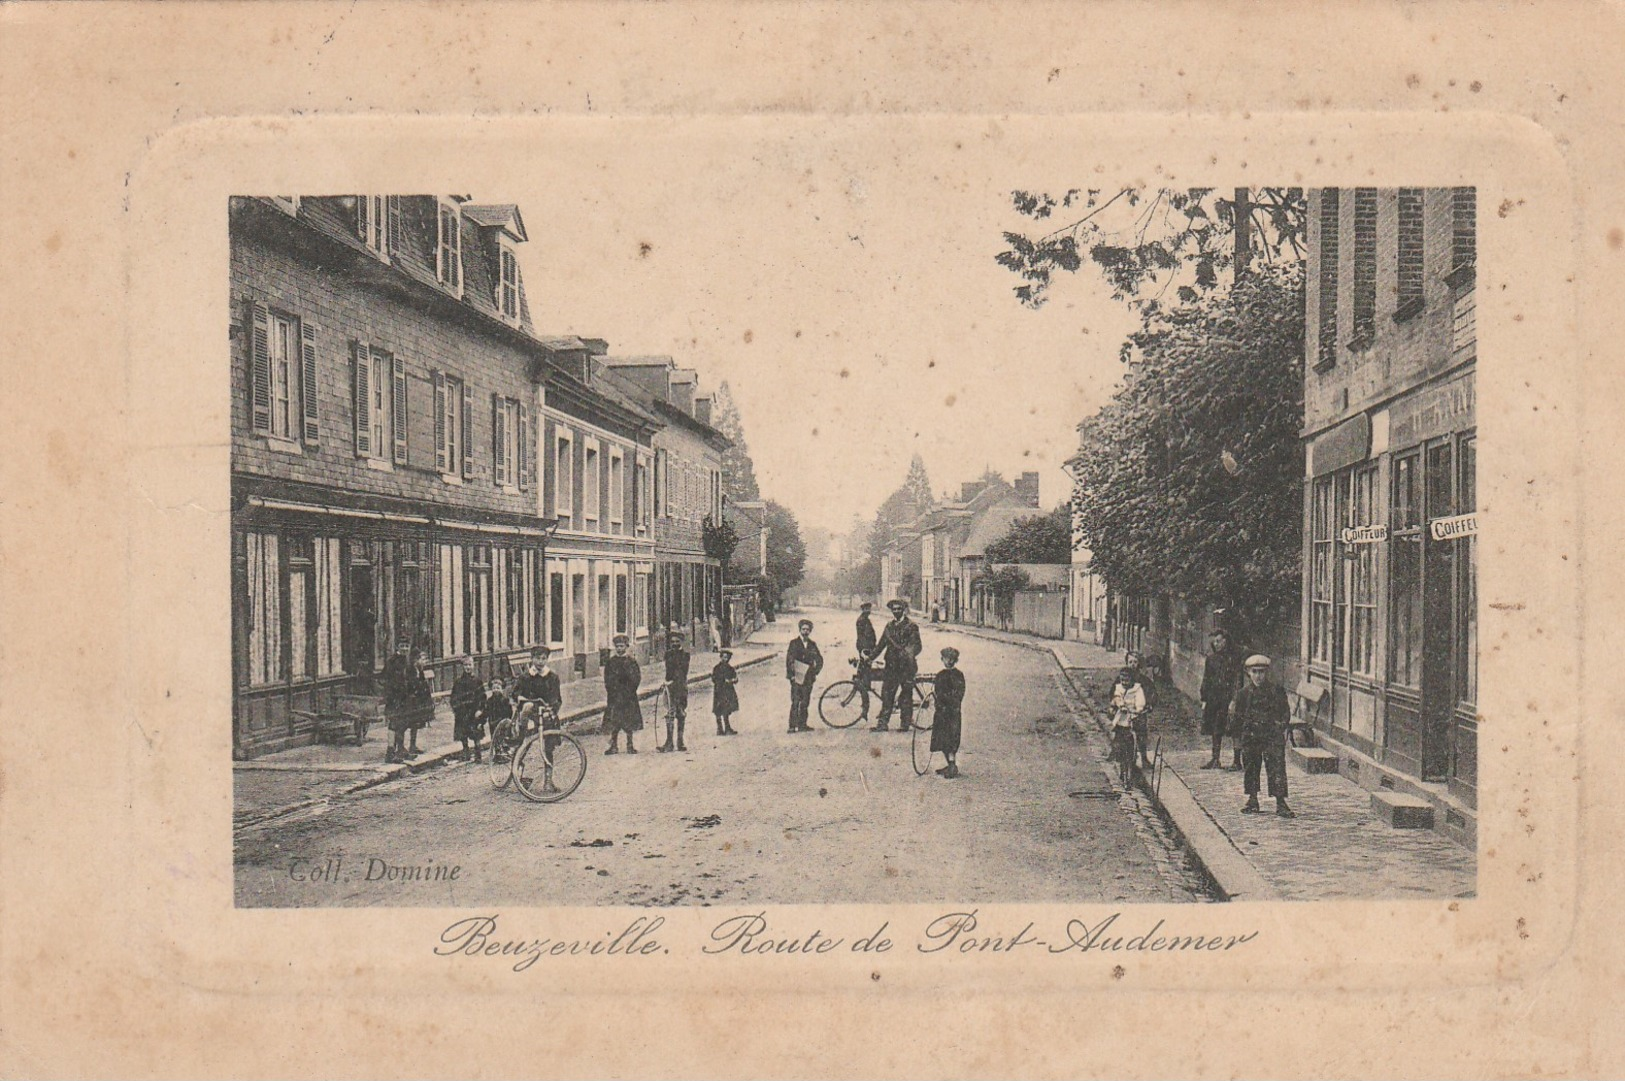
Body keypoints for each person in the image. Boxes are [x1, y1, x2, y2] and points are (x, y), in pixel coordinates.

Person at [1234, 654, 1295, 818]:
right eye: (1254, 672)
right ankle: (1252, 800)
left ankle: (1280, 802)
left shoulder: (1276, 691)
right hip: (1251, 736)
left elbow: (1285, 712)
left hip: (1271, 736)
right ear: (1248, 673)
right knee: (1251, 767)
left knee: (1277, 768)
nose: (1258, 676)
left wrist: (1279, 726)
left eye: (1261, 672)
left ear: (1266, 673)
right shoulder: (1243, 694)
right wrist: (1241, 736)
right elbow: (1237, 717)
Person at [870, 599, 922, 732]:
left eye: (899, 609)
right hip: (891, 666)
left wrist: (908, 653)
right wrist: (869, 658)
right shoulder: (889, 626)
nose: (896, 611)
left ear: (904, 610)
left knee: (906, 695)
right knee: (887, 694)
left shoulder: (911, 626)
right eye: (894, 609)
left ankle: (905, 724)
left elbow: (917, 646)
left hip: (906, 667)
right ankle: (882, 724)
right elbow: (881, 645)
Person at [1199, 628, 1246, 770]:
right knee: (1215, 728)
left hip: (1229, 699)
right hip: (1214, 698)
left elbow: (1238, 680)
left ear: (1225, 641)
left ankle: (1237, 761)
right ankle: (1215, 759)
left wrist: (1234, 699)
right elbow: (1206, 678)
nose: (1216, 644)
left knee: (1234, 728)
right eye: (1215, 642)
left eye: (1219, 641)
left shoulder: (1234, 658)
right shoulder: (1211, 659)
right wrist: (1204, 698)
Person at [381, 637, 429, 764]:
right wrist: (391, 692)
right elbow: (384, 678)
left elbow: (412, 680)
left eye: (406, 646)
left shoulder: (408, 662)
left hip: (405, 699)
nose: (404, 648)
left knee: (402, 725)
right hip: (394, 699)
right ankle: (390, 752)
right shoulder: (391, 662)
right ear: (397, 647)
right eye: (402, 646)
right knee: (393, 724)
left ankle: (400, 750)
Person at [602, 633, 643, 755]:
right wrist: (611, 690)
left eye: (622, 646)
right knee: (614, 721)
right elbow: (607, 678)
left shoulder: (631, 661)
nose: (619, 649)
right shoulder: (611, 662)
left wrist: (630, 690)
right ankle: (613, 745)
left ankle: (630, 744)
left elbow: (636, 677)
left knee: (628, 720)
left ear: (626, 646)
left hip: (628, 696)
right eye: (617, 646)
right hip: (614, 696)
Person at [931, 647, 966, 779]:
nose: (949, 661)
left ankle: (952, 765)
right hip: (942, 712)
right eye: (947, 658)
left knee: (951, 739)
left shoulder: (958, 675)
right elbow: (937, 693)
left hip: (952, 713)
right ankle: (950, 764)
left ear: (955, 660)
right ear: (942, 660)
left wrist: (949, 702)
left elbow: (959, 694)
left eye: (952, 659)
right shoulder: (940, 675)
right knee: (942, 739)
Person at [1111, 665, 1149, 780]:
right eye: (1122, 680)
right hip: (1122, 716)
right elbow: (1117, 697)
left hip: (1133, 716)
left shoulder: (1137, 689)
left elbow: (1140, 700)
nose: (1124, 682)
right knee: (1119, 738)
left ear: (1132, 680)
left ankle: (1136, 756)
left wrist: (1139, 709)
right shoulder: (1118, 688)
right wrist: (1121, 705)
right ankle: (1117, 754)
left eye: (1127, 680)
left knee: (1137, 735)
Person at [785, 618, 823, 732]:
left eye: (807, 629)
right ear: (800, 630)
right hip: (796, 676)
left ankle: (802, 725)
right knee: (795, 701)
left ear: (810, 631)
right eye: (803, 629)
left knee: (805, 701)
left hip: (808, 677)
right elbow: (789, 660)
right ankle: (792, 726)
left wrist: (815, 672)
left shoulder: (812, 644)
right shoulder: (794, 643)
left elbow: (819, 659)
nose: (805, 631)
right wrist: (791, 675)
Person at [660, 626, 691, 753]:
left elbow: (682, 671)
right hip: (670, 687)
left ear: (681, 642)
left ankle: (680, 740)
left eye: (677, 641)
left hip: (680, 686)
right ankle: (669, 742)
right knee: (670, 714)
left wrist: (673, 681)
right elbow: (668, 671)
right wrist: (666, 682)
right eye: (672, 642)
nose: (675, 644)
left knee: (680, 713)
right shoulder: (668, 654)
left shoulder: (685, 655)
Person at [450, 656, 486, 762]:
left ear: (473, 665)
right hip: (462, 712)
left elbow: (482, 697)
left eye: (470, 665)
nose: (468, 667)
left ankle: (478, 752)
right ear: (462, 667)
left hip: (474, 712)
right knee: (463, 733)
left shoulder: (477, 681)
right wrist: (456, 708)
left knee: (475, 733)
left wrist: (480, 709)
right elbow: (454, 697)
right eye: (466, 665)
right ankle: (466, 752)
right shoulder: (458, 682)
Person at [854, 602, 878, 720]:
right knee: (863, 679)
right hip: (866, 651)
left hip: (868, 651)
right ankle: (865, 707)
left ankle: (865, 707)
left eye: (869, 608)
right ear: (863, 609)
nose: (868, 610)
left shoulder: (865, 619)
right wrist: (864, 651)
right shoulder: (862, 620)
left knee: (864, 678)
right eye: (866, 608)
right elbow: (862, 638)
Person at [711, 648, 740, 735]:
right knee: (718, 710)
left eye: (727, 658)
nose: (725, 659)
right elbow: (714, 679)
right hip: (719, 691)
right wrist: (722, 681)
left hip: (728, 691)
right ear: (720, 658)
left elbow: (735, 678)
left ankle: (727, 728)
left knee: (726, 709)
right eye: (723, 657)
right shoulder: (716, 668)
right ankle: (719, 729)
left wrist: (732, 680)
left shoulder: (730, 668)